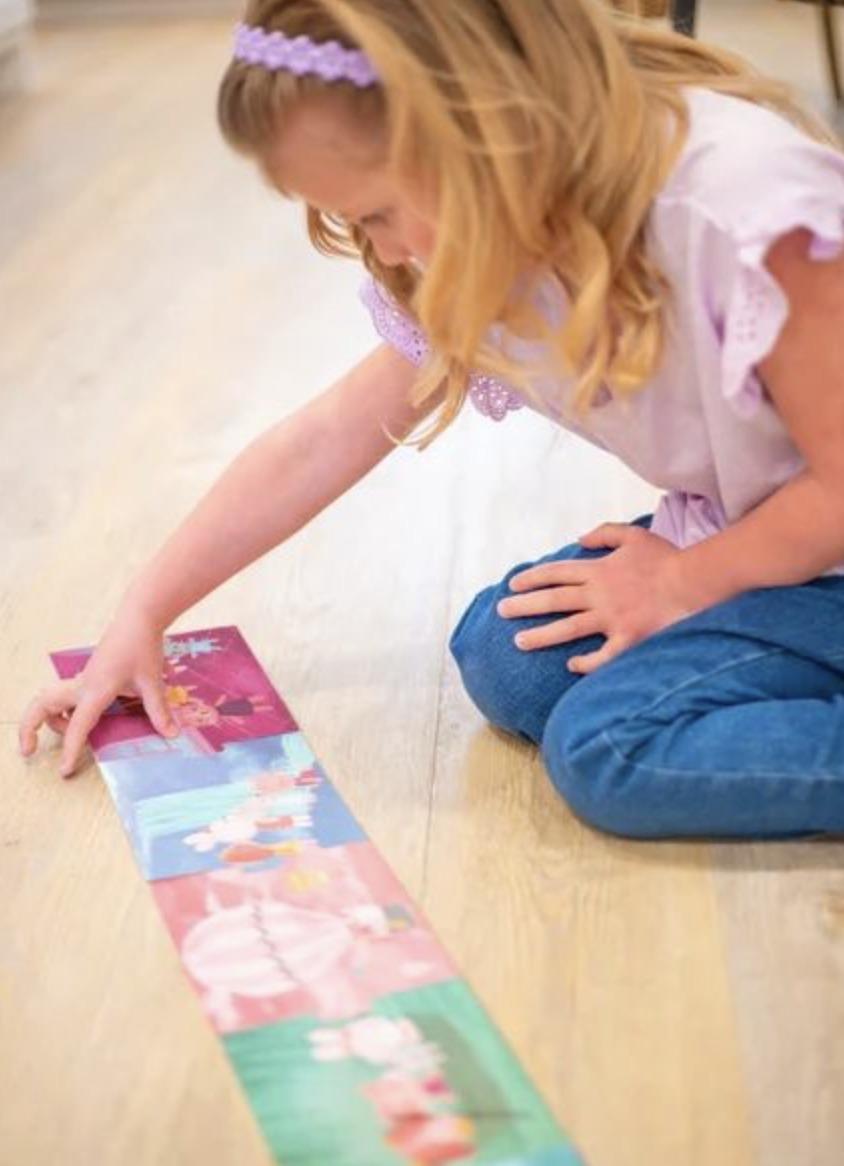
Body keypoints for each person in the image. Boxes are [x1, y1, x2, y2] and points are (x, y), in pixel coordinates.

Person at [19, 0, 844, 838]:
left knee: (608, 749)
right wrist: (143, 614)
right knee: (505, 659)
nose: (383, 251)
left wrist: (680, 584)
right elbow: (323, 439)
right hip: (769, 532)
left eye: (376, 214)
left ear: (477, 129)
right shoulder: (491, 230)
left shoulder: (742, 204)